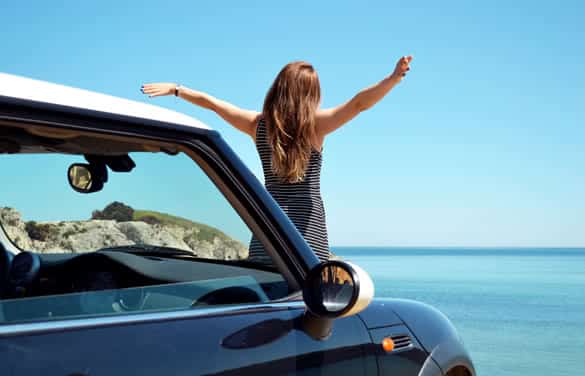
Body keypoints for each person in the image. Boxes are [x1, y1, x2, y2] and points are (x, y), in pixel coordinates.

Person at [141, 56, 413, 263]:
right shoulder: (316, 125)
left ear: (279, 89)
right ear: (310, 94)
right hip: (309, 230)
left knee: (265, 292)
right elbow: (358, 104)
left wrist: (177, 90)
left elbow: (214, 104)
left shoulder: (256, 124)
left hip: (268, 223)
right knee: (306, 296)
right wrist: (393, 79)